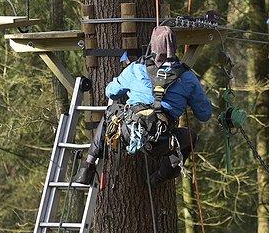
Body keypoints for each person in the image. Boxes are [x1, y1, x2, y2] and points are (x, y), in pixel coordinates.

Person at [73, 26, 213, 186]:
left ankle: (88, 166)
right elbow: (204, 114)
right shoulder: (187, 78)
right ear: (174, 47)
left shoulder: (135, 69)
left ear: (153, 45)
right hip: (161, 141)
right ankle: (159, 177)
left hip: (128, 132)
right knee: (191, 137)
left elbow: (110, 92)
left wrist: (129, 81)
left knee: (110, 114)